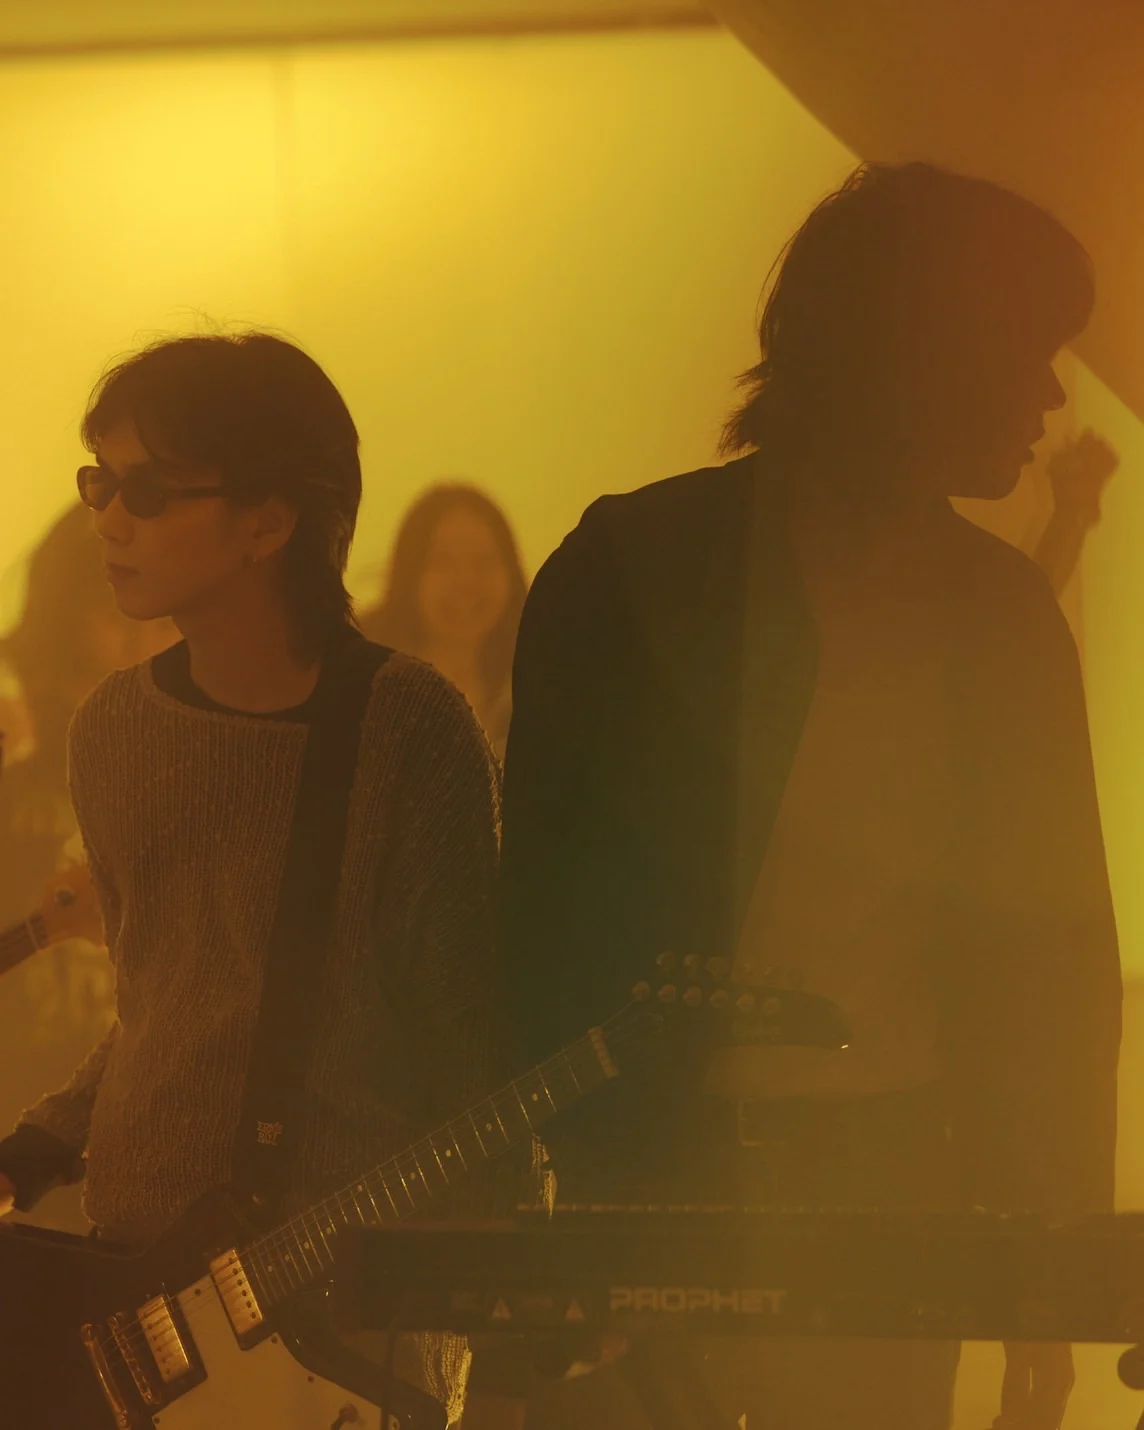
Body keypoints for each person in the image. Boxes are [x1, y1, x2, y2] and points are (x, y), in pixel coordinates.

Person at [499, 163, 1121, 1430]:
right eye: (1026, 351)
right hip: (653, 1182)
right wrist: (560, 1214)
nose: (1052, 395)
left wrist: (1047, 1266)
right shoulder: (628, 570)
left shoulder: (999, 617)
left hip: (886, 1187)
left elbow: (1053, 965)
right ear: (927, 350)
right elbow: (541, 922)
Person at [0, 333, 510, 1425]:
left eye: (147, 490)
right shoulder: (112, 730)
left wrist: (506, 1276)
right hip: (134, 1284)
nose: (108, 519)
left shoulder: (407, 726)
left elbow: (470, 1049)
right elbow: (168, 997)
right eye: (99, 482)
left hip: (338, 1310)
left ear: (269, 523)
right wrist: (44, 1138)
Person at [0, 505, 173, 1172]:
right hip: (20, 1071)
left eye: (161, 619)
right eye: (114, 613)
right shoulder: (21, 730)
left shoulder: (178, 744)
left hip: (127, 1087)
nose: (140, 637)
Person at [360, 485, 527, 761]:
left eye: (484, 560)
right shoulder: (364, 687)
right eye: (443, 561)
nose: (466, 582)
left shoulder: (538, 688)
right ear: (409, 576)